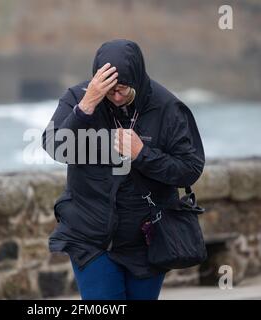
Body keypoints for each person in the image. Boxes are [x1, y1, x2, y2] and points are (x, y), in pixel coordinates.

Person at [42, 39, 205, 300]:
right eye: (110, 90)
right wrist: (86, 107)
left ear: (138, 81)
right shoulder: (78, 98)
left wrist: (143, 154)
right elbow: (54, 147)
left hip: (147, 241)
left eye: (123, 90)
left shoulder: (167, 108)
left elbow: (190, 168)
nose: (116, 97)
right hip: (90, 239)